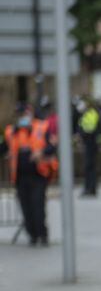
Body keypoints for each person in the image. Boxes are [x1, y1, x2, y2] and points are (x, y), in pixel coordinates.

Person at [3, 103, 56, 246]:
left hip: (39, 174)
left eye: (24, 114)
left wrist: (41, 153)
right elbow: (4, 147)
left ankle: (42, 235)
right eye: (19, 115)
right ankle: (32, 236)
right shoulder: (11, 131)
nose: (22, 118)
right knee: (26, 208)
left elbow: (52, 146)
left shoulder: (42, 127)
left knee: (38, 207)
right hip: (20, 177)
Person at [76, 98, 100, 197]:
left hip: (91, 144)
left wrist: (81, 135)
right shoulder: (87, 114)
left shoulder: (92, 114)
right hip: (89, 143)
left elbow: (90, 129)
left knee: (89, 167)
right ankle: (90, 188)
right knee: (89, 167)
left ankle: (89, 188)